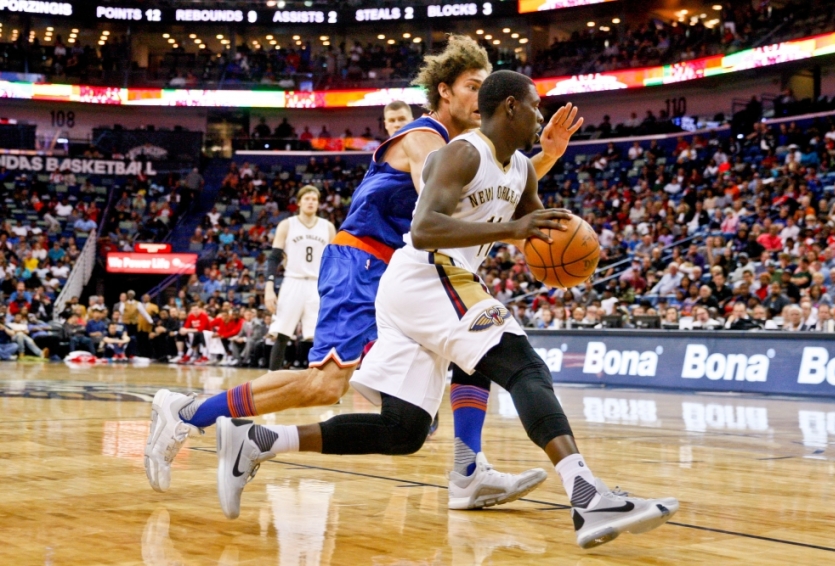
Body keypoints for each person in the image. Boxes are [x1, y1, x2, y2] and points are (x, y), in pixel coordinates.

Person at [213, 71, 678, 548]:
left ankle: (258, 442)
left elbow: (533, 230)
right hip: (426, 272)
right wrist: (512, 232)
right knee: (524, 366)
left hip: (427, 285)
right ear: (511, 107)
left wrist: (556, 245)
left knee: (404, 430)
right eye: (535, 105)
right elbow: (424, 229)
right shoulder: (460, 152)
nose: (541, 114)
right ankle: (587, 496)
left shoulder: (522, 167)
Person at [146, 35, 583, 509]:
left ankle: (468, 469)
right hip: (363, 262)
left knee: (470, 353)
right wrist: (521, 209)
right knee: (325, 385)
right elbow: (435, 208)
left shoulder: (464, 147)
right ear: (444, 91)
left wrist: (545, 158)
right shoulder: (426, 137)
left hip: (409, 274)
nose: (482, 98)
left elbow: (492, 193)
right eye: (472, 86)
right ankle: (188, 412)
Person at [265, 185, 336, 371]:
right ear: (299, 202)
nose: (311, 202)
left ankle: (319, 384)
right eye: (307, 198)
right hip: (292, 281)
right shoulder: (287, 225)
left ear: (319, 203)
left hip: (317, 283)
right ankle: (272, 379)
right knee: (282, 333)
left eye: (314, 199)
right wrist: (269, 287)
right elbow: (273, 258)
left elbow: (334, 261)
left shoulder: (328, 227)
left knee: (318, 336)